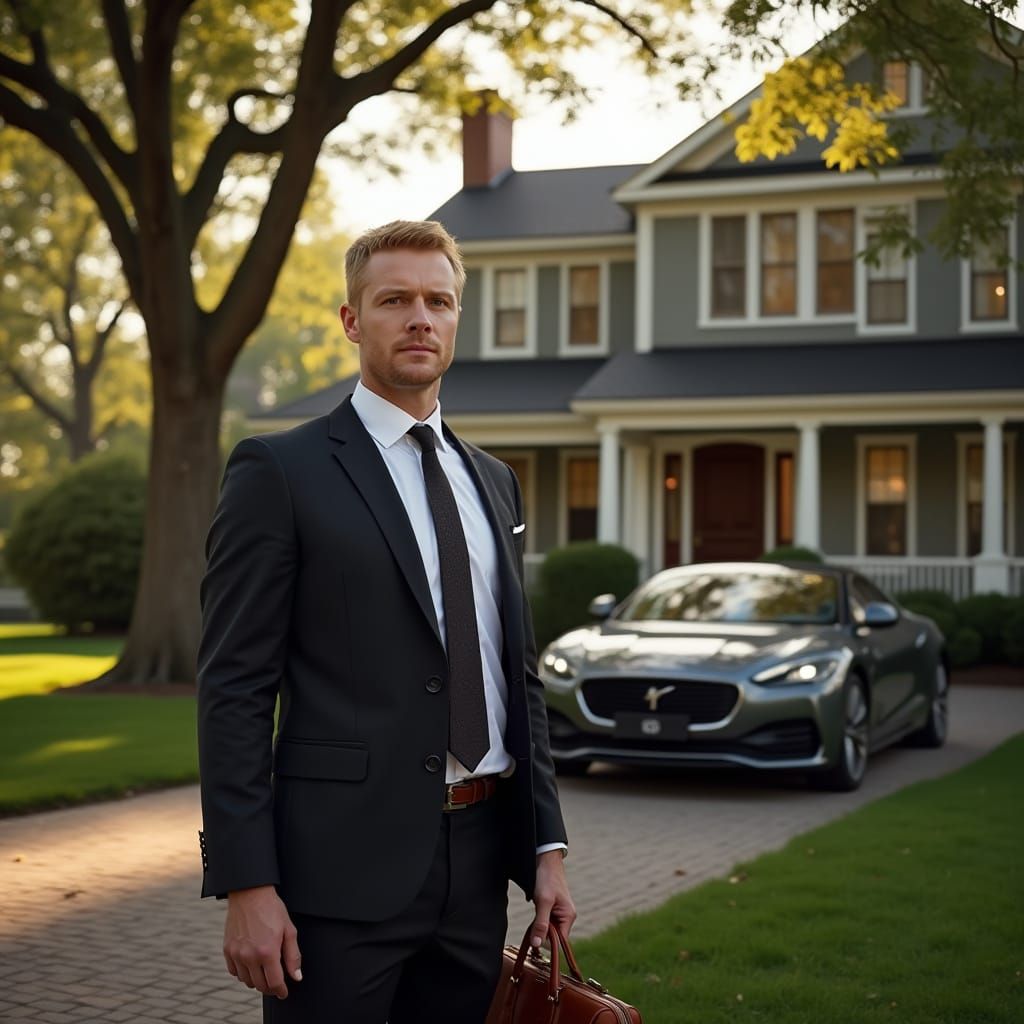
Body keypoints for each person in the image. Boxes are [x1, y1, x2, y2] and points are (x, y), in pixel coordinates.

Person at [196, 219, 575, 1023]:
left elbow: (520, 677)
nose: (420, 318)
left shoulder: (495, 482)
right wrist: (246, 883)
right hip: (335, 877)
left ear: (457, 319)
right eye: (394, 299)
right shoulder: (281, 472)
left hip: (476, 873)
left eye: (438, 301)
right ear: (350, 319)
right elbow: (233, 686)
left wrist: (547, 849)